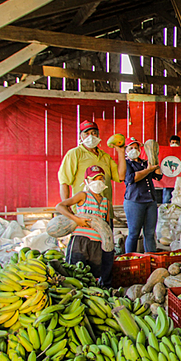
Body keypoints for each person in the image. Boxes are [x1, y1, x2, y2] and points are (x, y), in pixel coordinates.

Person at [58, 120, 125, 286]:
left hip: (103, 211)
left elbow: (121, 176)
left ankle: (102, 285)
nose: (91, 137)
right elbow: (64, 182)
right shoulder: (74, 154)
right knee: (79, 256)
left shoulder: (105, 157)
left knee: (103, 254)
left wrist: (121, 152)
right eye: (86, 133)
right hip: (83, 216)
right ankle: (78, 286)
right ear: (80, 136)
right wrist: (71, 216)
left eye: (94, 133)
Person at [55, 166, 111, 278]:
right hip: (80, 240)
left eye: (100, 178)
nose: (97, 182)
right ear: (87, 181)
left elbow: (106, 224)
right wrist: (76, 219)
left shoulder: (106, 202)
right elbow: (60, 206)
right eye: (93, 179)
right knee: (74, 273)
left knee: (93, 277)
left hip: (96, 243)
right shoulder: (83, 195)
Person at [123, 137, 162, 253]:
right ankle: (129, 259)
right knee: (134, 233)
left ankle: (151, 257)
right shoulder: (125, 164)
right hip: (134, 201)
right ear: (126, 150)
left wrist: (155, 161)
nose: (134, 150)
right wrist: (149, 170)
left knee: (150, 233)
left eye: (136, 147)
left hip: (150, 201)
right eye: (131, 147)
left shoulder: (145, 163)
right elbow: (131, 178)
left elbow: (158, 177)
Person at [161, 135, 181, 204]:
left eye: (176, 142)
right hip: (168, 180)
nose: (174, 144)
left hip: (179, 179)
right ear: (169, 143)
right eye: (172, 142)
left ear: (179, 144)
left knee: (179, 200)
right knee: (167, 198)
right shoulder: (165, 152)